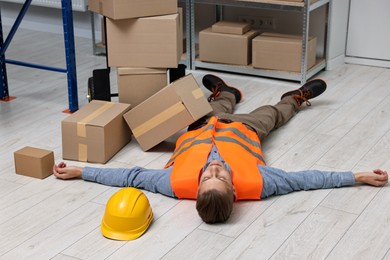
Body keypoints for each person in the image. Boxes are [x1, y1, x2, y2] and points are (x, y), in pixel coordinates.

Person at [53, 74, 388, 224]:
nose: (213, 170)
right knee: (274, 114)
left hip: (201, 130)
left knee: (217, 108)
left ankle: (225, 92)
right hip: (247, 131)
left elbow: (129, 175)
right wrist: (356, 176)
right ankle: (296, 98)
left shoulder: (171, 185)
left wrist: (81, 171)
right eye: (220, 177)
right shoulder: (262, 183)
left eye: (207, 178)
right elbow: (307, 178)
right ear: (234, 190)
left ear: (196, 190)